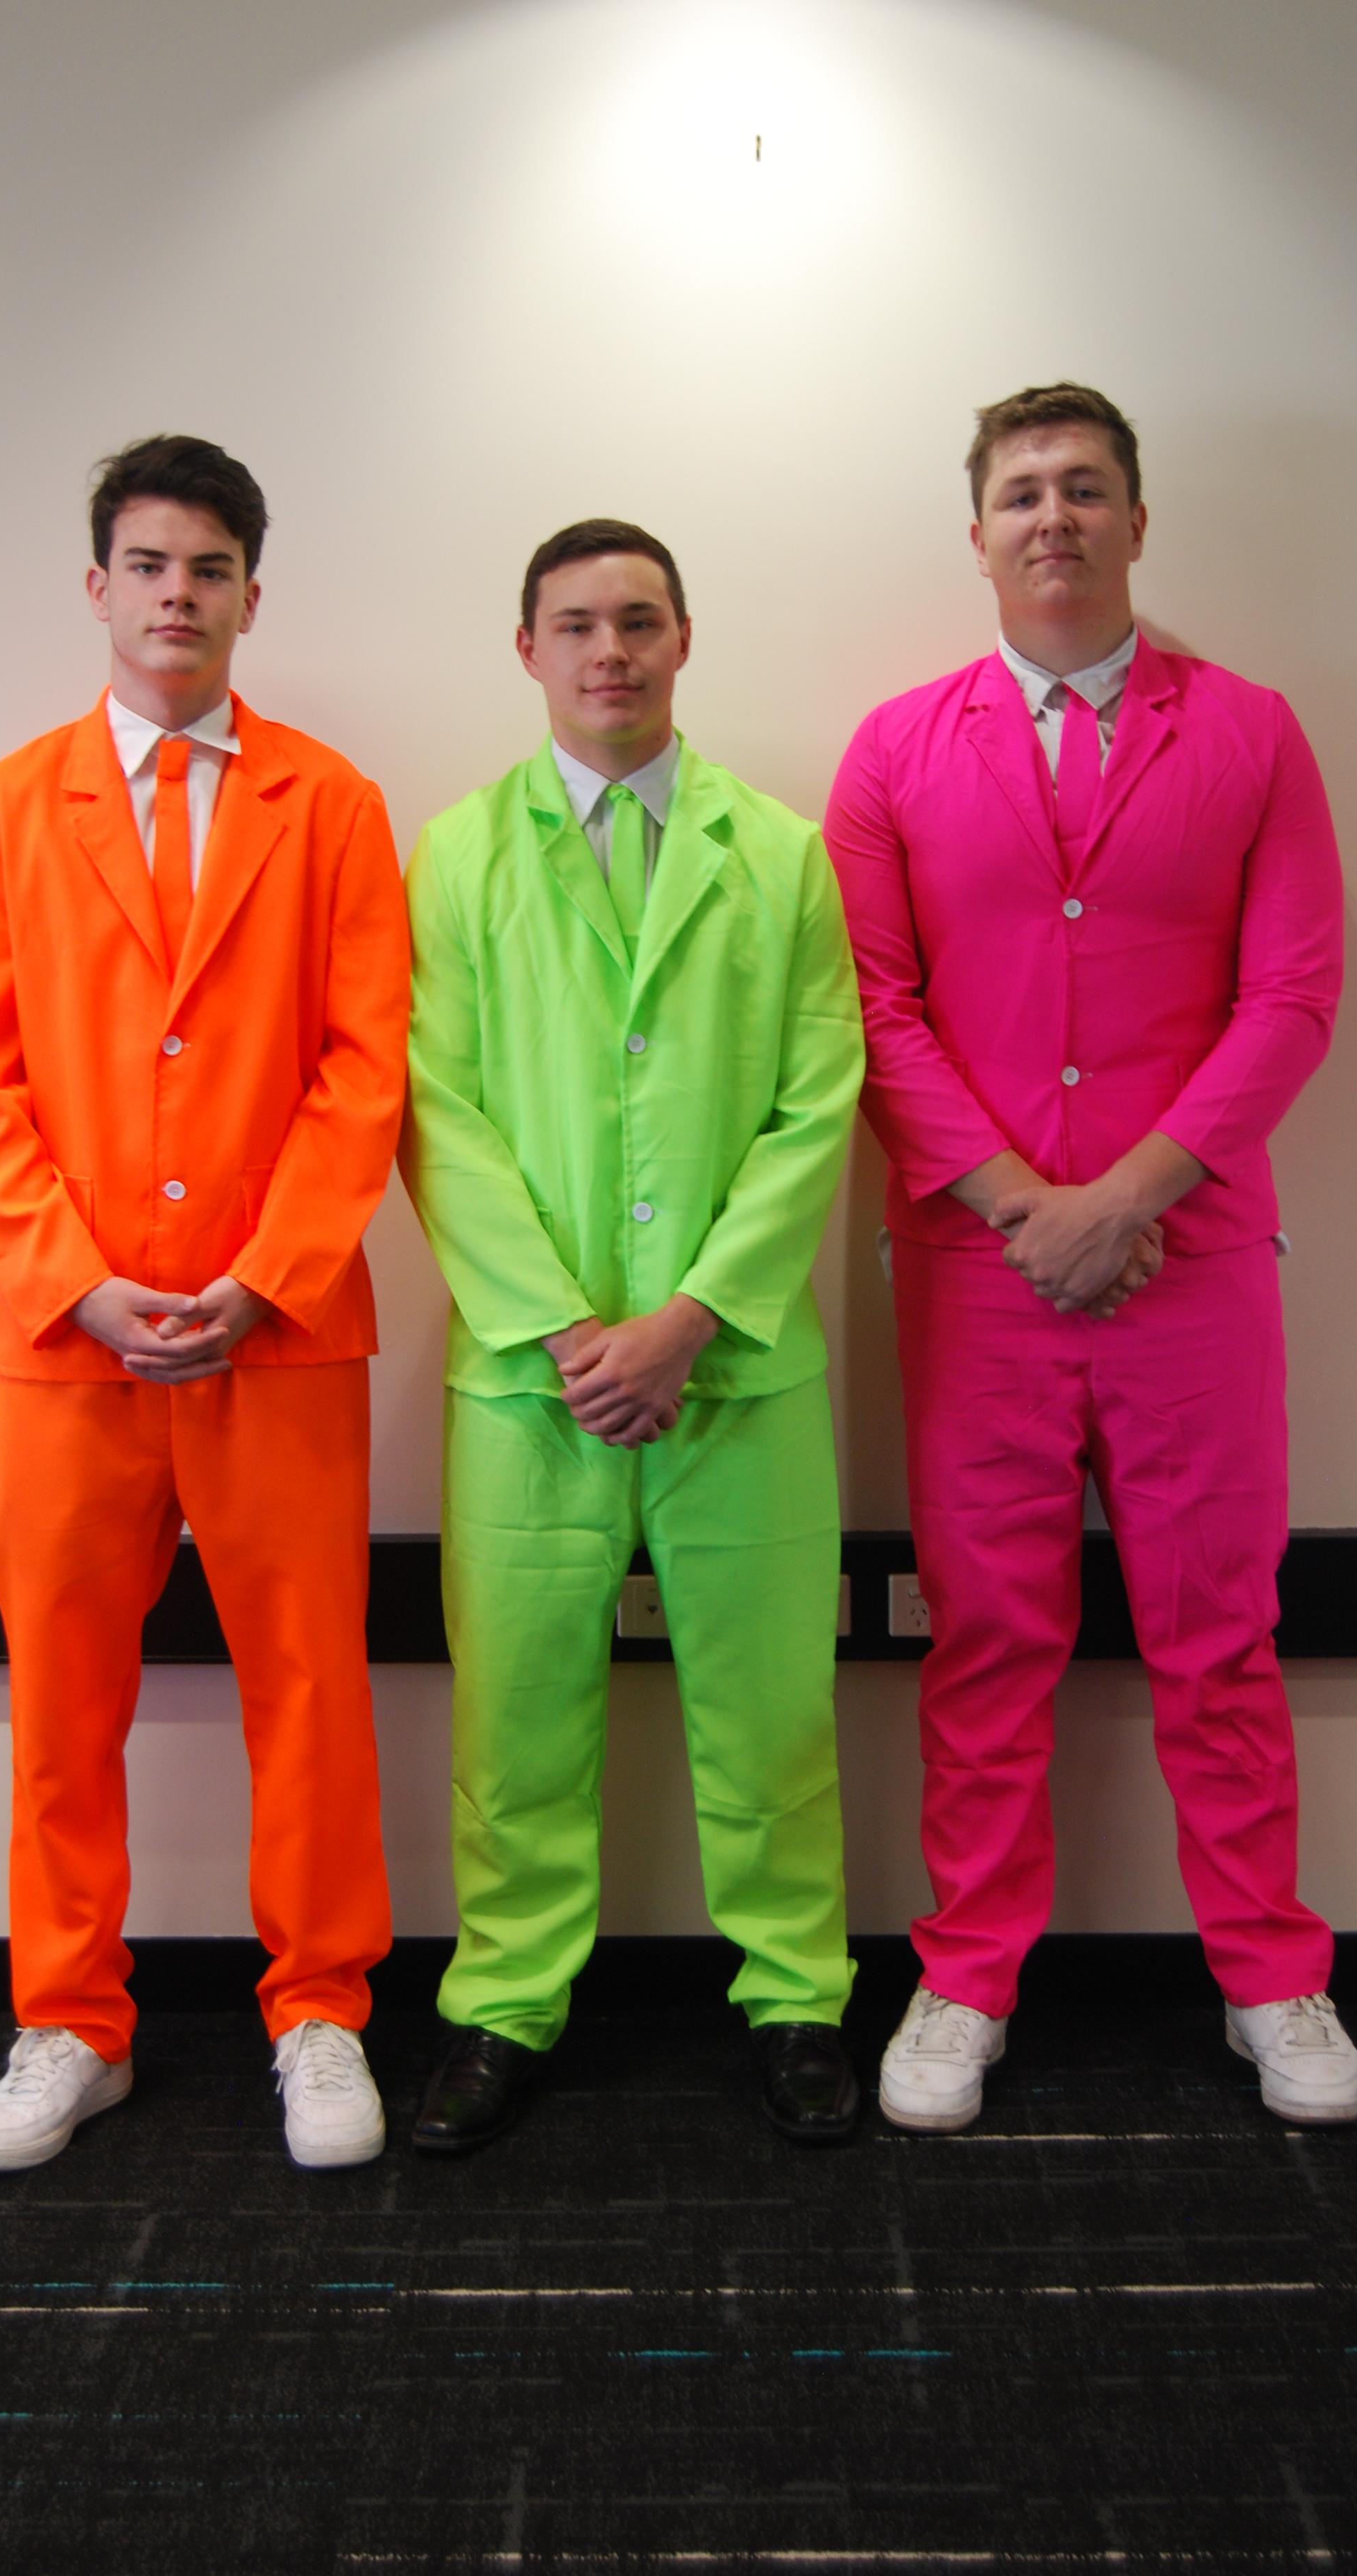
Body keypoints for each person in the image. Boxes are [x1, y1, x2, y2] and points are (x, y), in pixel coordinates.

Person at [824, 384, 1357, 2133]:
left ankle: (1271, 1973)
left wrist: (1124, 1198)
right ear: (977, 532)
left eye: (1084, 487)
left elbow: (1293, 996)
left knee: (1222, 1633)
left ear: (1138, 520)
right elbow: (874, 1010)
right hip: (976, 1273)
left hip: (1190, 1263)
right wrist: (1022, 1205)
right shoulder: (895, 750)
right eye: (1021, 492)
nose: (1051, 516)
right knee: (988, 1641)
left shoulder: (1255, 734)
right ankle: (967, 1974)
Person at [0, 435, 409, 2173]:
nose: (178, 595)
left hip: (282, 1335)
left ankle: (322, 2009)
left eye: (211, 568)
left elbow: (365, 1070)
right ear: (99, 587)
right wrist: (79, 1283)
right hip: (73, 1344)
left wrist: (264, 1276)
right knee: (64, 1702)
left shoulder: (331, 803)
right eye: (149, 564)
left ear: (250, 598)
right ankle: (69, 2018)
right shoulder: (2, 809)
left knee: (313, 1691)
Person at [399, 518, 865, 2151]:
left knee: (773, 1706)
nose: (612, 651)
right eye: (579, 623)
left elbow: (819, 1099)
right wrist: (561, 1327)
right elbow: (436, 1111)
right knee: (515, 1713)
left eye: (641, 620)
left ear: (683, 639)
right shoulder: (458, 855)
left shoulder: (781, 854)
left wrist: (686, 1318)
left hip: (738, 1367)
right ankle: (504, 2002)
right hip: (530, 1385)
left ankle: (797, 1995)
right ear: (527, 648)